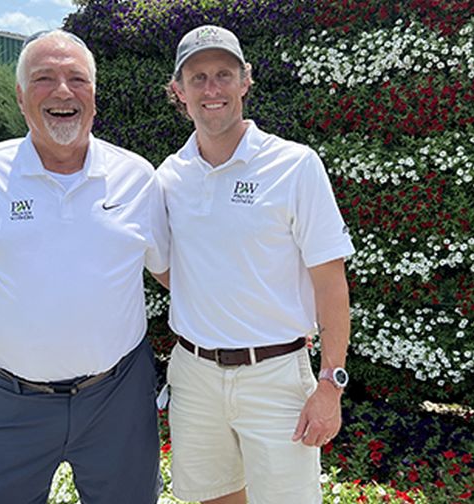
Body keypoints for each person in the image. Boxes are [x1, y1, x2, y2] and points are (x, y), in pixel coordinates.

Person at [0, 29, 169, 504]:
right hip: (7, 405)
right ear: (21, 97)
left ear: (94, 95)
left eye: (77, 79)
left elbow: (177, 278)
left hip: (117, 401)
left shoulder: (138, 177)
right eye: (44, 78)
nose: (63, 91)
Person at [156, 25, 354, 504]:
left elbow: (330, 284)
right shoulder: (168, 176)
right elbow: (166, 267)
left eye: (223, 74)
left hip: (276, 376)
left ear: (245, 81)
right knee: (215, 498)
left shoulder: (295, 165)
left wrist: (331, 383)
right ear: (178, 91)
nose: (212, 88)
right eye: (197, 77)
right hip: (195, 374)